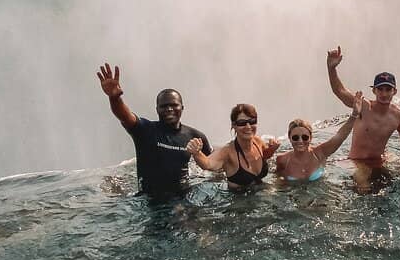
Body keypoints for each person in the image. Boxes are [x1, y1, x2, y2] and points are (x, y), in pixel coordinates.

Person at [96, 63, 211, 198]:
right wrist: (114, 98)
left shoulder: (195, 136)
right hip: (149, 201)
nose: (169, 109)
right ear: (157, 109)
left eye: (174, 105)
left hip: (183, 199)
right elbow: (125, 116)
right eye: (164, 106)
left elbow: (214, 165)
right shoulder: (145, 130)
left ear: (182, 108)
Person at [325, 46, 400, 191]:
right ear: (374, 90)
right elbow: (339, 91)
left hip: (380, 162)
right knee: (364, 189)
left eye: (388, 89)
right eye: (380, 89)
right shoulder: (363, 107)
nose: (384, 94)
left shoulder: (398, 116)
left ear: (394, 91)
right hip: (357, 162)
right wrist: (331, 68)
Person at [186, 104, 280, 189]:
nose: (248, 126)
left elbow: (264, 156)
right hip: (238, 200)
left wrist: (272, 149)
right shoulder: (228, 151)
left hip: (260, 191)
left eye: (252, 121)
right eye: (242, 123)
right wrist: (196, 153)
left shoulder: (258, 142)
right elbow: (208, 164)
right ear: (234, 125)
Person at [275, 93, 364, 182]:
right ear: (289, 138)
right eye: (295, 137)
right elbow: (277, 182)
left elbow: (340, 136)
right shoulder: (282, 160)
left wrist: (354, 114)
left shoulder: (320, 153)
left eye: (305, 137)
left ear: (311, 137)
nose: (300, 141)